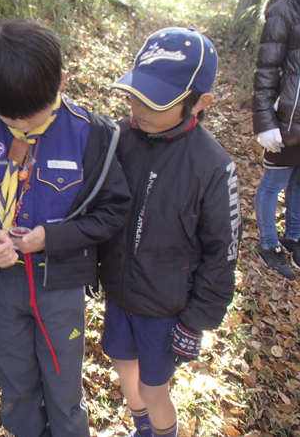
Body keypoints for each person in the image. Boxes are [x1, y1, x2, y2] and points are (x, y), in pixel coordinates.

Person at [0, 19, 131, 437]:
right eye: (10, 117)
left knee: (65, 391)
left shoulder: (91, 135)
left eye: (32, 116)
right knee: (17, 389)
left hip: (60, 288)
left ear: (61, 81)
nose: (22, 126)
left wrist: (55, 237)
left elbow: (113, 209)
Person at [98, 27, 241, 437]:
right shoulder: (121, 137)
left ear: (200, 103)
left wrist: (196, 320)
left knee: (152, 385)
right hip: (120, 291)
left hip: (166, 309)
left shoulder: (212, 166)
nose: (140, 109)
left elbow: (223, 252)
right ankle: (142, 426)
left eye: (157, 102)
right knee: (123, 363)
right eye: (136, 95)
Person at [252, 0, 300, 280]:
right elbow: (266, 70)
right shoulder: (285, 9)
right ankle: (268, 244)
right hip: (286, 122)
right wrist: (265, 121)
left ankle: (293, 238)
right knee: (274, 184)